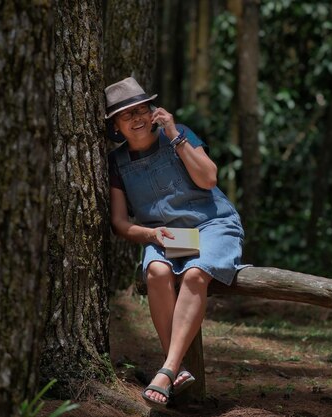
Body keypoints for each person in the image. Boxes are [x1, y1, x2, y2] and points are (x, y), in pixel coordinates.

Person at [105, 77, 245, 408]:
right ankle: (176, 368)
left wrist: (175, 135)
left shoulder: (178, 134)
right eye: (127, 115)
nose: (137, 118)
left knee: (196, 273)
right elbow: (120, 223)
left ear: (153, 111)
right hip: (169, 235)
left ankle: (167, 369)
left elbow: (208, 178)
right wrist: (150, 235)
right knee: (156, 270)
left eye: (141, 109)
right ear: (116, 126)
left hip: (212, 226)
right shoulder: (117, 163)